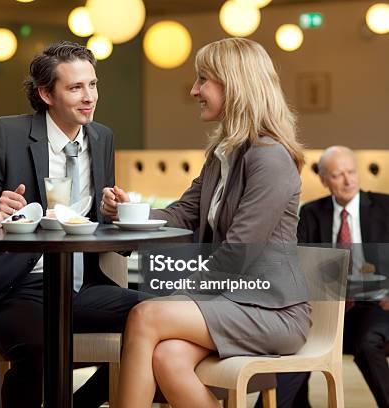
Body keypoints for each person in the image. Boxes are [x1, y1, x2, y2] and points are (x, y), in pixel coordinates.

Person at [101, 38, 311, 408]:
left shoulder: (270, 159)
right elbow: (180, 214)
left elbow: (237, 255)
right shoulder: (222, 155)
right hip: (232, 302)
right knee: (168, 358)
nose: (195, 90)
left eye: (203, 80)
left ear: (235, 84)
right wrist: (128, 214)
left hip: (272, 312)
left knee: (144, 314)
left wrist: (176, 294)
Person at [0, 41, 147, 408]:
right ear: (46, 93)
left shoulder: (101, 137)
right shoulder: (5, 133)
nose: (89, 97)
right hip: (17, 286)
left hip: (82, 286)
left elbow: (98, 221)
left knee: (157, 321)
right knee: (41, 350)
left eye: (92, 85)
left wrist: (111, 212)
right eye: (75, 88)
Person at [266, 146, 389, 408]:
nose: (348, 180)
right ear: (323, 179)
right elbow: (296, 265)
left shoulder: (385, 207)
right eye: (338, 175)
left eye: (352, 172)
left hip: (375, 307)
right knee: (294, 342)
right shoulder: (310, 214)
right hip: (323, 309)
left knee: (368, 344)